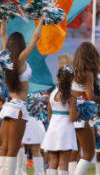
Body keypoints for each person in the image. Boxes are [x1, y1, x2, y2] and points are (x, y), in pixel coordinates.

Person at [0, 20, 43, 174]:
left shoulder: (5, 58)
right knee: (12, 148)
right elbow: (35, 38)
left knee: (4, 147)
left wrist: (3, 18)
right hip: (18, 108)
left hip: (7, 108)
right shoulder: (19, 60)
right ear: (20, 45)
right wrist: (42, 18)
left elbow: (3, 34)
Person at [69, 42, 100, 175]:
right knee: (89, 153)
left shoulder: (74, 72)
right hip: (81, 116)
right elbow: (90, 96)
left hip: (71, 115)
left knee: (74, 152)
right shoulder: (88, 73)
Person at [42, 66, 79, 175]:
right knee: (64, 163)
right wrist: (79, 112)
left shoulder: (52, 94)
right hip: (66, 130)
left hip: (53, 128)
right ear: (71, 79)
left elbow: (49, 114)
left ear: (58, 78)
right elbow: (72, 118)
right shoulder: (72, 96)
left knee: (53, 162)